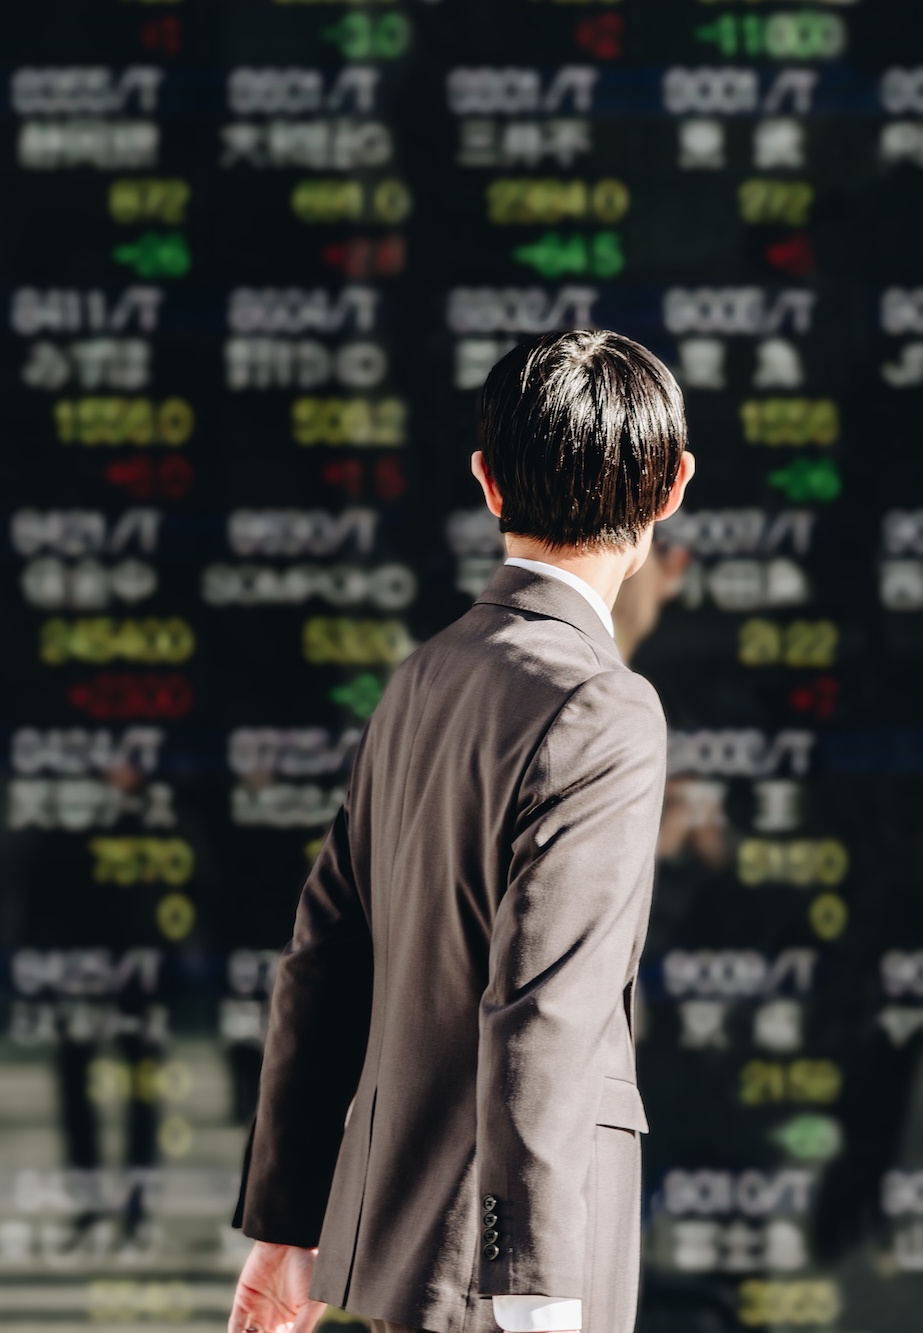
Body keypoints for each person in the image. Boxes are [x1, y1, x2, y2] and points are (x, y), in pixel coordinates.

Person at [229, 329, 697, 1333]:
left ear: (486, 483)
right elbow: (546, 1013)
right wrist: (535, 1300)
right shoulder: (604, 707)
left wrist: (287, 1229)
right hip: (504, 1291)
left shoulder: (420, 680)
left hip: (399, 1261)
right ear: (671, 488)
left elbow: (321, 958)